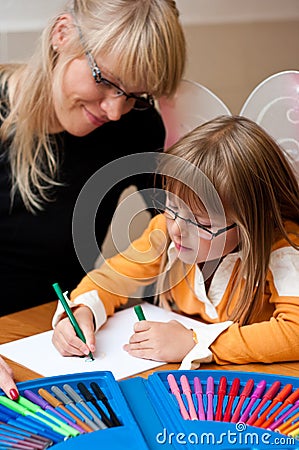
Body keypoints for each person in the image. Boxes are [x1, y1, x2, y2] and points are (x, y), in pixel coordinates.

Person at [52, 115, 299, 368]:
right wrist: (83, 311)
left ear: (255, 220)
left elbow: (295, 332)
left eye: (202, 224)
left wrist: (198, 343)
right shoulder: (165, 231)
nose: (178, 229)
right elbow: (112, 278)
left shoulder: (284, 249)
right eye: (171, 206)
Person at [0, 0, 186, 315]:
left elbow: (178, 225)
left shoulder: (135, 126)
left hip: (66, 327)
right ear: (62, 34)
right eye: (104, 80)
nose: (115, 112)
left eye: (134, 95)